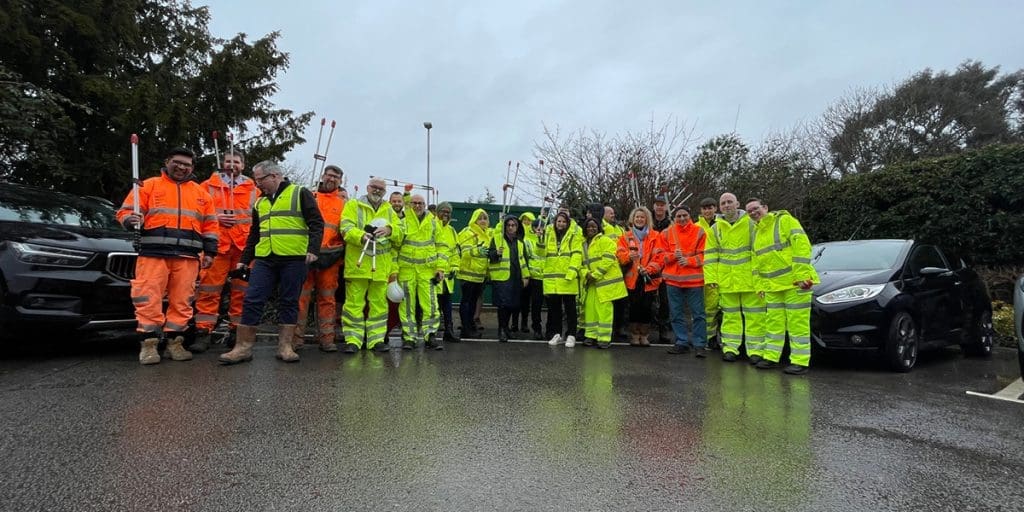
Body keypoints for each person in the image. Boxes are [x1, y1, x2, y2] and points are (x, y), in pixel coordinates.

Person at [117, 147, 217, 365]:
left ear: (192, 168)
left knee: (183, 301)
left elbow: (210, 225)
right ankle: (149, 344)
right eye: (177, 162)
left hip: (188, 257)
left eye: (187, 165)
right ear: (167, 161)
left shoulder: (201, 194)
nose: (181, 167)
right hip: (153, 254)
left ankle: (175, 343)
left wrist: (210, 251)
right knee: (148, 298)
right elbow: (124, 211)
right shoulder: (148, 186)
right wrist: (129, 220)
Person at [218, 161, 324, 364]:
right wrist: (244, 260)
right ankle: (243, 347)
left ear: (274, 176)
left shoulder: (299, 193)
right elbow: (254, 234)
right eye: (256, 180)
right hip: (265, 258)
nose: (258, 184)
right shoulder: (260, 202)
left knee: (289, 301)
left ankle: (285, 346)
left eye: (260, 179)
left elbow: (316, 223)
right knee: (252, 299)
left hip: (294, 258)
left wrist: (313, 249)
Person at [191, 149, 258, 352]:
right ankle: (204, 331)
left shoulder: (254, 189)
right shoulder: (206, 186)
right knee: (208, 290)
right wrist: (215, 218)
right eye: (228, 161)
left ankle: (236, 331)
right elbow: (193, 213)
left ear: (243, 165)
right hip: (217, 246)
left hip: (244, 248)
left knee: (242, 292)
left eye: (236, 162)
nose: (232, 165)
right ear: (222, 163)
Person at [746, 198, 818, 375]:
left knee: (797, 324)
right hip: (772, 286)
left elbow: (802, 247)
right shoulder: (756, 232)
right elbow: (756, 263)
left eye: (756, 209)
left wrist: (801, 275)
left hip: (795, 284)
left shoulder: (785, 221)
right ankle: (771, 357)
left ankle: (800, 361)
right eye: (749, 211)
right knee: (773, 324)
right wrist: (760, 285)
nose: (754, 213)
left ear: (765, 207)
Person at [334, 177, 402, 353]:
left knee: (379, 305)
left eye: (381, 188)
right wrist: (361, 236)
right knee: (354, 305)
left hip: (380, 267)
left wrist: (390, 230)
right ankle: (353, 340)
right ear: (368, 187)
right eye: (374, 187)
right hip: (358, 265)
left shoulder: (388, 210)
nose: (377, 191)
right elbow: (345, 227)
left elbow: (401, 231)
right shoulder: (353, 205)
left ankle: (376, 340)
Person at [705, 192, 765, 363]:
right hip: (727, 281)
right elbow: (710, 256)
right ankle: (731, 348)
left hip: (750, 280)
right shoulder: (715, 229)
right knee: (730, 317)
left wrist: (760, 277)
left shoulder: (751, 223)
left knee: (755, 317)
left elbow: (758, 251)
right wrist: (711, 279)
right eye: (723, 203)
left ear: (737, 203)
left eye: (729, 202)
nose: (726, 205)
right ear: (719, 207)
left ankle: (755, 351)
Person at [294, 164, 346, 352]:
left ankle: (326, 338)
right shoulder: (309, 196)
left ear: (340, 181)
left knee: (327, 299)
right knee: (301, 298)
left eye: (336, 177)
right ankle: (296, 339)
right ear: (323, 175)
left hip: (329, 258)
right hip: (305, 254)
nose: (332, 179)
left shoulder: (343, 203)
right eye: (330, 175)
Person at [397, 192, 445, 350]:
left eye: (420, 203)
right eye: (414, 203)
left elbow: (441, 246)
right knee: (407, 306)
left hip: (427, 271)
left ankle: (430, 335)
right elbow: (395, 245)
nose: (417, 206)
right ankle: (408, 338)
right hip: (407, 270)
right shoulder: (403, 221)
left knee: (430, 305)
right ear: (409, 204)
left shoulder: (433, 222)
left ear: (425, 205)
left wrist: (441, 268)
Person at [661, 205, 708, 357]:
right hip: (673, 282)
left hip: (694, 282)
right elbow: (661, 256)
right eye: (678, 216)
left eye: (684, 215)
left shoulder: (699, 232)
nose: (682, 219)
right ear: (674, 218)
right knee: (676, 314)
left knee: (698, 314)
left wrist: (689, 261)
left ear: (690, 216)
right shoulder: (667, 233)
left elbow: (704, 256)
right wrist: (673, 256)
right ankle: (681, 341)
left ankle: (699, 344)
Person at [616, 207, 664, 346]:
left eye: (642, 217)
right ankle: (634, 334)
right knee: (634, 307)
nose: (639, 219)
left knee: (647, 307)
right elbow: (620, 254)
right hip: (632, 278)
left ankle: (644, 335)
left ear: (647, 219)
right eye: (637, 217)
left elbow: (659, 256)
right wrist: (628, 257)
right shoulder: (626, 236)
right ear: (633, 219)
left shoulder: (656, 236)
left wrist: (648, 269)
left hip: (649, 277)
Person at [580, 218, 628, 348]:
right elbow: (580, 263)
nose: (591, 228)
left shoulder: (606, 241)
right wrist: (586, 274)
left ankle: (604, 338)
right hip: (591, 283)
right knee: (590, 310)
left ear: (599, 228)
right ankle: (590, 335)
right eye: (589, 226)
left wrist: (594, 275)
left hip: (606, 283)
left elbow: (608, 260)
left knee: (604, 311)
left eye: (594, 226)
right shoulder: (583, 244)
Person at [540, 211, 582, 348]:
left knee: (570, 309)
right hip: (552, 279)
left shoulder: (573, 235)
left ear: (567, 223)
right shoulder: (547, 233)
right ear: (555, 222)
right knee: (555, 310)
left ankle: (571, 335)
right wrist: (539, 240)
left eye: (564, 221)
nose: (561, 224)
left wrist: (572, 272)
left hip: (567, 278)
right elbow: (540, 253)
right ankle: (557, 334)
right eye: (559, 221)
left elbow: (577, 254)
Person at [489, 215, 530, 342]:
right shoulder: (497, 239)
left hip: (516, 277)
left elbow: (523, 260)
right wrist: (496, 253)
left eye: (514, 225)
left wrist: (526, 276)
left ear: (517, 227)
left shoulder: (520, 243)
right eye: (509, 225)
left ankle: (506, 329)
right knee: (503, 305)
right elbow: (489, 256)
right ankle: (501, 329)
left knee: (513, 305)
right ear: (505, 226)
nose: (511, 228)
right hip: (502, 278)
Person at [456, 209, 491, 339]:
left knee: (473, 302)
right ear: (474, 219)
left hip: (479, 275)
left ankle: (470, 325)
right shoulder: (468, 232)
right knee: (467, 302)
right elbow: (464, 252)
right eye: (480, 218)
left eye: (485, 218)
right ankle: (465, 328)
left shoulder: (486, 234)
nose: (483, 221)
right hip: (467, 273)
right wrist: (477, 251)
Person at [697, 197, 722, 350]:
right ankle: (710, 337)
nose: (707, 211)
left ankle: (726, 338)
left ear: (715, 208)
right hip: (704, 271)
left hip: (724, 269)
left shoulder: (722, 224)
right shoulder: (696, 226)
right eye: (705, 208)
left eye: (710, 207)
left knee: (726, 309)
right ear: (701, 210)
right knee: (709, 308)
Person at [514, 212, 544, 340]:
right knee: (523, 302)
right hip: (529, 276)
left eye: (541, 227)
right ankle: (522, 323)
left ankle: (537, 328)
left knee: (537, 305)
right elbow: (524, 258)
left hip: (541, 278)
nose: (539, 230)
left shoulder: (548, 240)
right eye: (536, 227)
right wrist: (525, 275)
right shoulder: (526, 240)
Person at [435, 202, 461, 343]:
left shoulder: (451, 230)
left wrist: (455, 267)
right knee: (432, 306)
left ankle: (449, 331)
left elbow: (455, 252)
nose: (445, 214)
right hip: (434, 274)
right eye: (443, 211)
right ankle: (430, 334)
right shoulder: (433, 226)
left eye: (448, 212)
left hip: (447, 276)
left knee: (447, 304)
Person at [650, 194, 672, 344]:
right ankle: (645, 328)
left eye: (662, 204)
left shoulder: (671, 224)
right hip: (649, 265)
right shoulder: (647, 221)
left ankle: (663, 327)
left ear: (665, 206)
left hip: (666, 266)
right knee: (647, 299)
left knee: (665, 300)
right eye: (657, 204)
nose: (659, 207)